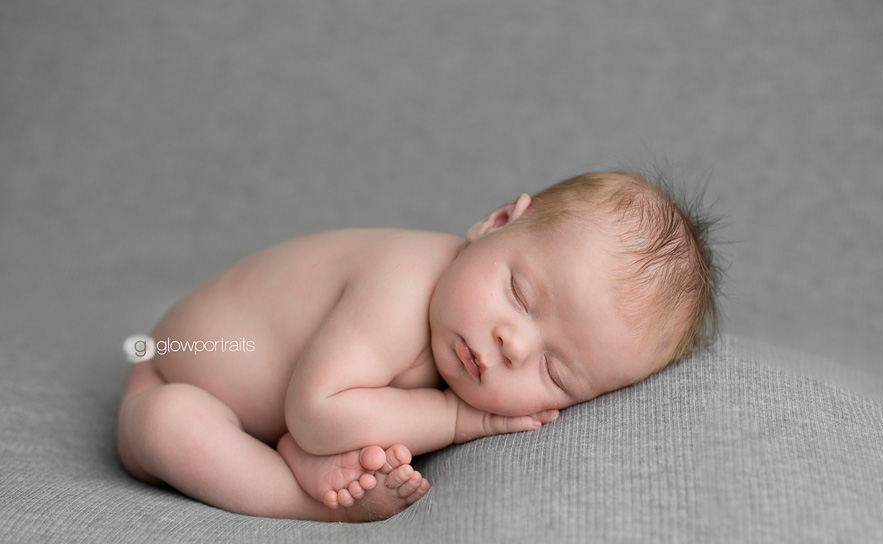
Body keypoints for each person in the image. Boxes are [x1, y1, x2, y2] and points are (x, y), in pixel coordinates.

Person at [116, 170, 719, 522]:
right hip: (173, 367)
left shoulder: (457, 330)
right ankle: (314, 504)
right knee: (171, 425)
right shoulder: (404, 284)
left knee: (336, 425)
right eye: (519, 293)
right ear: (497, 223)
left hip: (290, 407)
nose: (512, 345)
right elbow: (319, 411)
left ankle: (300, 457)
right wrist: (456, 418)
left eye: (555, 371)